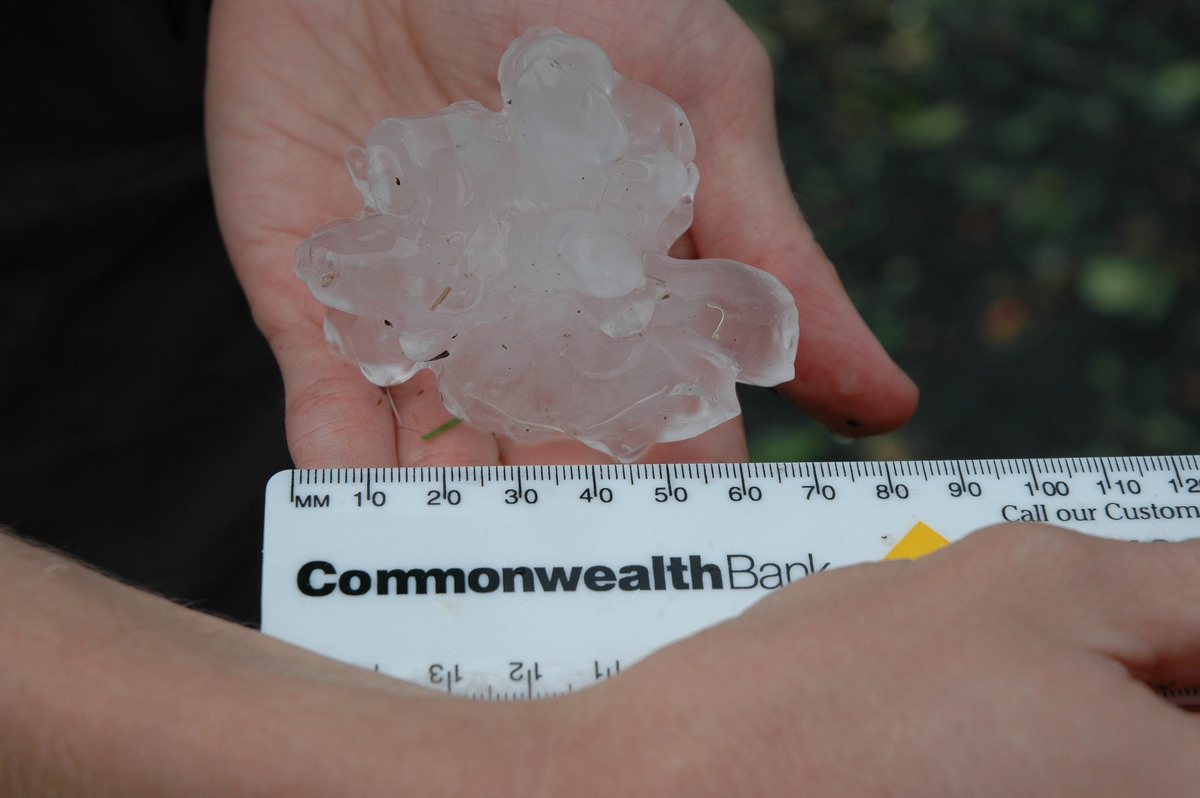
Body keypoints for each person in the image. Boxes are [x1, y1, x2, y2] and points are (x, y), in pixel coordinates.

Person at [2, 1, 1197, 795]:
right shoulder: (449, 248)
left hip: (135, 112)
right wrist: (533, 771)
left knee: (290, 490)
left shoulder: (546, 204)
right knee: (260, 510)